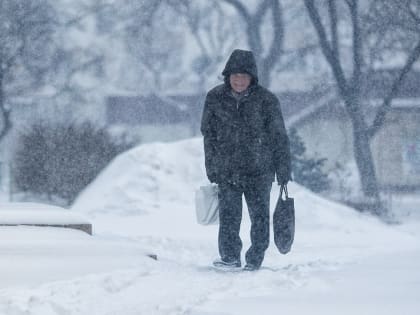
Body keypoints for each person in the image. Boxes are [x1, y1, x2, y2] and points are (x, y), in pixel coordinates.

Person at [200, 49, 291, 271]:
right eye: (235, 76)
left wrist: (283, 170)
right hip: (227, 170)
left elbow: (279, 136)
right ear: (227, 76)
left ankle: (255, 258)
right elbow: (208, 135)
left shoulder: (267, 100)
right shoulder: (214, 98)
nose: (239, 80)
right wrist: (211, 166)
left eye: (244, 76)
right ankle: (230, 256)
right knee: (229, 217)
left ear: (252, 77)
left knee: (259, 218)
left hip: (260, 170)